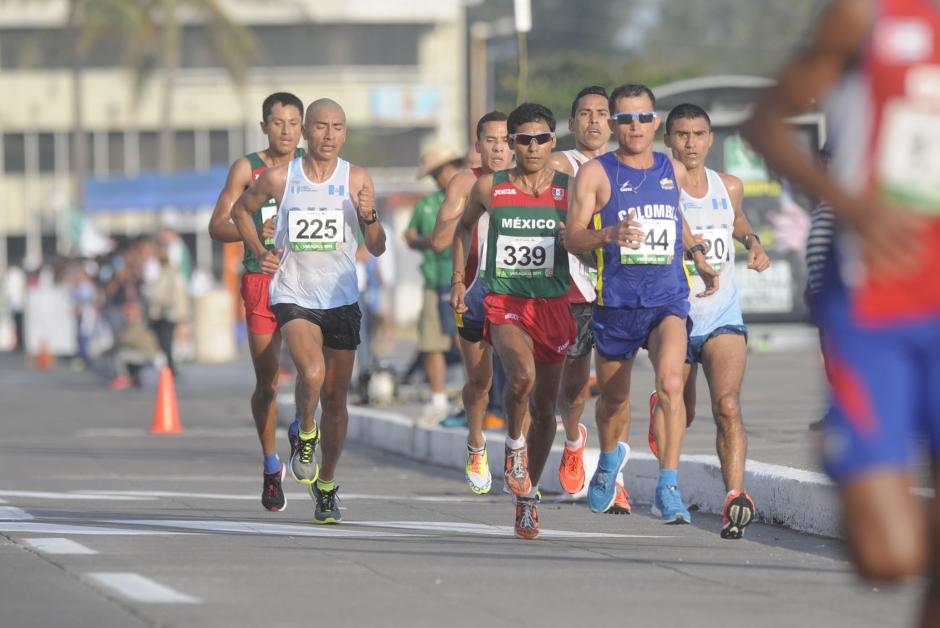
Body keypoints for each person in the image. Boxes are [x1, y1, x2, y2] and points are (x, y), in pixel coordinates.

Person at [743, 1, 940, 624]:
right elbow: (766, 124)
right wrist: (851, 207)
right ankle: (849, 454)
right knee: (888, 558)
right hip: (873, 300)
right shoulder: (865, 14)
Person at [566, 84, 718, 524]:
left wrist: (697, 256)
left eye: (643, 118)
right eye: (625, 119)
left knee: (671, 384)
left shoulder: (669, 166)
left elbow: (674, 215)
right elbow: (572, 236)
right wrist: (607, 235)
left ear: (655, 122)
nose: (635, 126)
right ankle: (610, 461)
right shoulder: (596, 173)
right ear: (613, 125)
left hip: (667, 297)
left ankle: (667, 487)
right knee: (614, 402)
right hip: (616, 302)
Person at [233, 98, 386, 524]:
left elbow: (376, 246)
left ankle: (327, 485)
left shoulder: (357, 178)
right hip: (293, 294)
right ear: (306, 132)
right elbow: (239, 210)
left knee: (336, 397)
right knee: (312, 373)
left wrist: (369, 218)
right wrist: (260, 250)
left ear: (345, 133)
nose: (329, 135)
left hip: (340, 297)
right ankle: (304, 429)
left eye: (338, 127)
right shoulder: (282, 179)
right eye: (320, 127)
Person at [645, 103, 771, 538]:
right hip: (673, 313)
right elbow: (675, 227)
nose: (691, 143)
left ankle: (735, 496)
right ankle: (669, 482)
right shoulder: (659, 185)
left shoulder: (728, 185)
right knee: (682, 408)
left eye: (699, 134)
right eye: (681, 135)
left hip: (721, 313)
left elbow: (735, 219)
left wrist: (752, 242)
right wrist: (695, 253)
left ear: (711, 138)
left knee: (728, 406)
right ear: (668, 140)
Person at [453, 102, 575, 539]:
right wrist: (457, 280)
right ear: (512, 144)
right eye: (523, 139)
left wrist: (576, 240)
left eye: (541, 138)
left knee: (546, 410)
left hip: (553, 304)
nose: (532, 146)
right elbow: (462, 229)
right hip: (504, 300)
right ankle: (513, 447)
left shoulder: (570, 188)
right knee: (520, 378)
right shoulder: (490, 188)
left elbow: (586, 237)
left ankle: (529, 495)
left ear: (552, 141)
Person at [208, 92, 304, 512]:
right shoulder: (248, 167)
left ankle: (303, 428)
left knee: (312, 368)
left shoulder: (315, 165)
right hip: (261, 281)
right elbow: (217, 225)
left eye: (293, 122)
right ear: (263, 126)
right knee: (268, 381)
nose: (286, 130)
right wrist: (257, 237)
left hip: (307, 281)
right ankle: (270, 465)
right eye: (278, 122)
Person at [548, 86, 632, 513]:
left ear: (614, 123)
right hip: (576, 288)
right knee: (577, 388)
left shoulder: (628, 166)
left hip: (623, 289)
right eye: (585, 113)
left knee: (618, 389)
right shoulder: (562, 164)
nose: (595, 121)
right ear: (572, 122)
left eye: (602, 113)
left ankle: (615, 480)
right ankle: (575, 437)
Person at [428, 111, 509, 495]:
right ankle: (476, 444)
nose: (499, 147)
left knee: (524, 378)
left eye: (506, 140)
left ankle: (518, 451)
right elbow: (440, 242)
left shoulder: (530, 181)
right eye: (490, 140)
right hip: (474, 292)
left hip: (518, 295)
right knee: (481, 380)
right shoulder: (465, 182)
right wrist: (462, 216)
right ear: (477, 147)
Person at [405, 145, 464, 425]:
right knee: (432, 343)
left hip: (463, 277)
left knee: (464, 341)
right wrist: (425, 242)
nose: (443, 176)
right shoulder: (426, 204)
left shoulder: (469, 195)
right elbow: (410, 235)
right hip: (434, 277)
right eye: (437, 173)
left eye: (447, 168)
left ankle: (470, 394)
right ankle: (438, 399)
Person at [145, 237, 190, 375]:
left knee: (167, 339)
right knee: (161, 340)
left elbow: (174, 292)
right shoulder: (153, 267)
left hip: (168, 311)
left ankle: (170, 366)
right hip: (157, 310)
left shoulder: (171, 271)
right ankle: (168, 365)